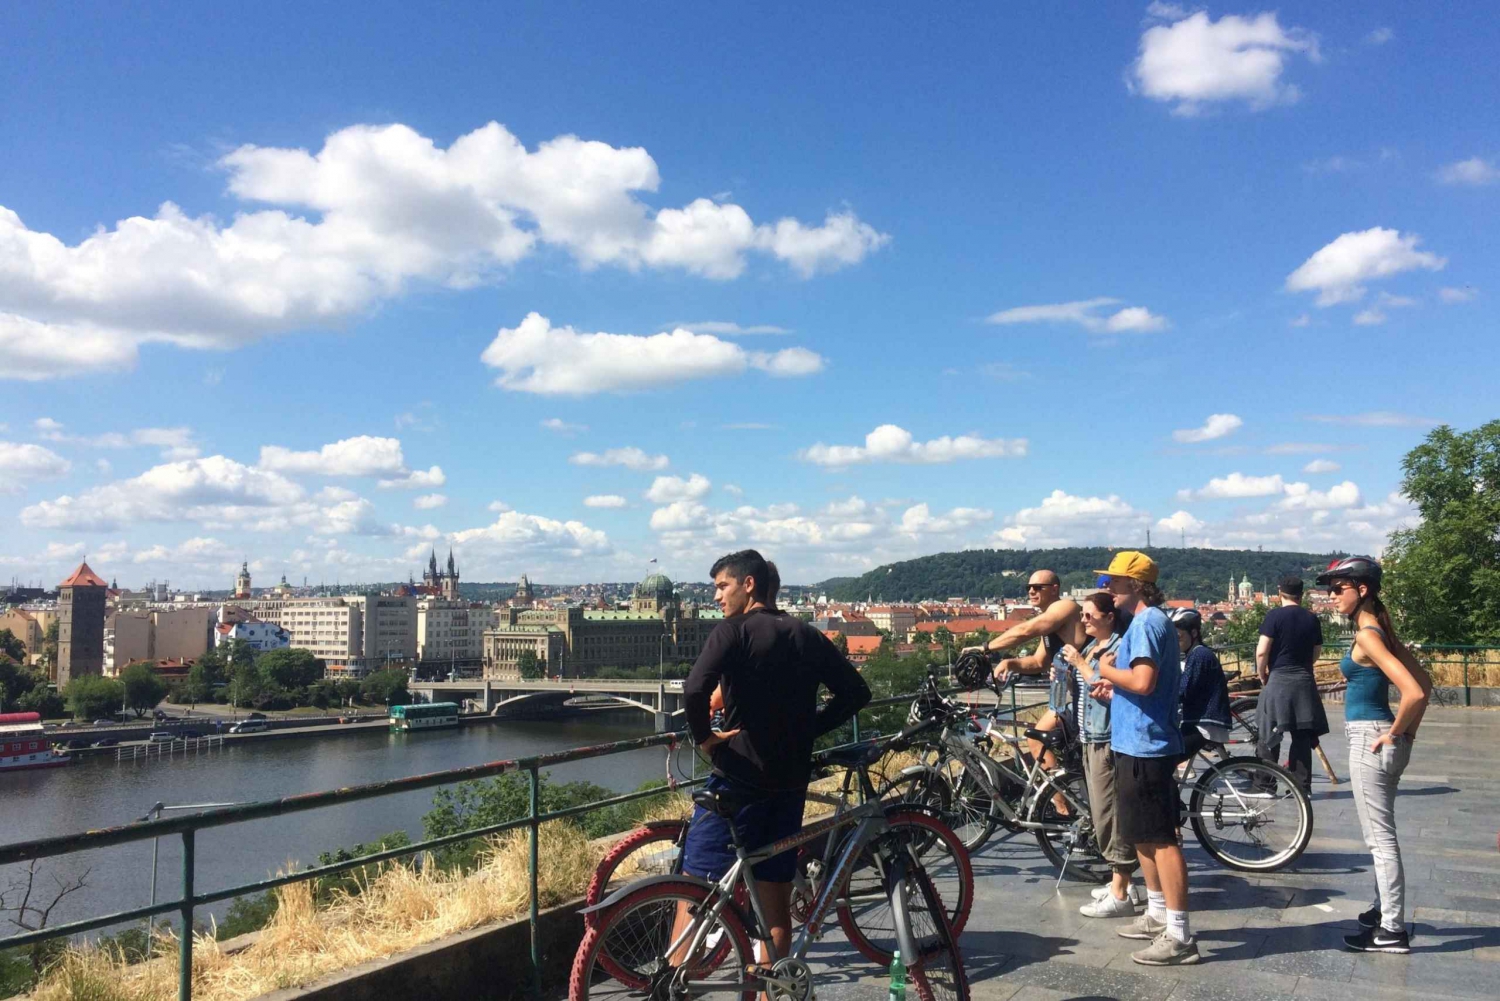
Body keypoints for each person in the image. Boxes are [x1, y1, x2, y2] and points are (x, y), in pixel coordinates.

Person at [678, 549, 871, 967]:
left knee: (693, 890)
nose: (716, 597)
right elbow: (857, 694)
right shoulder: (807, 634)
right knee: (775, 905)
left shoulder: (733, 631)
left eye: (721, 586)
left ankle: (676, 982)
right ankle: (772, 991)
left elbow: (694, 690)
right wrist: (810, 731)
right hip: (789, 783)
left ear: (749, 584)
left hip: (739, 779)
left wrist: (705, 740)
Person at [1089, 551, 1198, 965]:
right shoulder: (1146, 623)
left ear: (1135, 585)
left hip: (1148, 747)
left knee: (1161, 840)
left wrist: (1105, 670)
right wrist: (1116, 692)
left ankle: (1180, 934)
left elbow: (1145, 680)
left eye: (1113, 582)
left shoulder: (1148, 623)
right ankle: (1156, 913)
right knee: (1141, 835)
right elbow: (1140, 688)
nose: (1107, 589)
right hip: (1135, 743)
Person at [1319, 556, 1432, 955]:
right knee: (1381, 836)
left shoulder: (1369, 635)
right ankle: (1382, 911)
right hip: (1381, 736)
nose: (1331, 597)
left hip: (1370, 735)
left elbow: (1414, 691)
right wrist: (1406, 737)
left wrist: (1394, 734)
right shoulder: (1380, 629)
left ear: (1361, 589)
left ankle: (1392, 931)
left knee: (1379, 840)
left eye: (1337, 589)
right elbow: (1426, 682)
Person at [966, 570, 1088, 808]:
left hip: (1078, 693)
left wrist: (985, 647)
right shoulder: (1050, 621)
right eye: (1028, 587)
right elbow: (1039, 662)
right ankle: (1065, 804)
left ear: (1054, 588)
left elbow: (1026, 630)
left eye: (1038, 587)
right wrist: (1010, 662)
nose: (1031, 591)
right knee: (1044, 743)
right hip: (1062, 693)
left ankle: (1062, 809)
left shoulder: (1065, 607)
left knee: (1036, 739)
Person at [1061, 591, 1146, 918]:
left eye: (1088, 614)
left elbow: (1110, 692)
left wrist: (1080, 665)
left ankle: (1121, 892)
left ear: (1109, 617)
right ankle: (1119, 882)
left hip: (1107, 739)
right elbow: (1086, 689)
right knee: (1101, 814)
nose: (1083, 620)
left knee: (1110, 815)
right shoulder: (1091, 647)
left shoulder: (1118, 648)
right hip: (1090, 737)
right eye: (1081, 614)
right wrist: (1067, 673)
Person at [1256, 575, 1328, 795]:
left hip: (1279, 679)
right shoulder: (1311, 618)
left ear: (1280, 592)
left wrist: (1262, 674)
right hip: (1304, 680)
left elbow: (1262, 650)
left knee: (1269, 732)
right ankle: (1301, 787)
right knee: (1302, 735)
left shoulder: (1274, 616)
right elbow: (1317, 652)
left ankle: (1265, 785)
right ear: (1302, 593)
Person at [1170, 607, 1231, 760]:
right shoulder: (1197, 652)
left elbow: (1183, 690)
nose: (1176, 642)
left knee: (1165, 760)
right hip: (1201, 720)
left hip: (1204, 723)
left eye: (1179, 637)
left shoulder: (1199, 655)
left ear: (1194, 633)